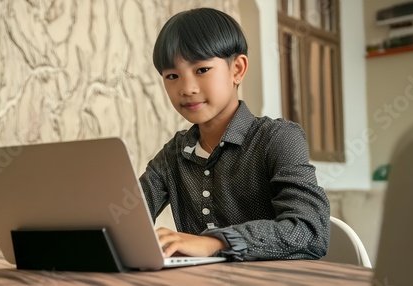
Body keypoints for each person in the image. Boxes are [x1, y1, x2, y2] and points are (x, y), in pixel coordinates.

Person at [139, 7, 330, 262]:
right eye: (172, 76)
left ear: (237, 69)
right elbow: (127, 217)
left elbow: (308, 231)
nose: (186, 88)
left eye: (202, 70)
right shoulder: (173, 153)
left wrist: (214, 242)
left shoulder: (280, 138)